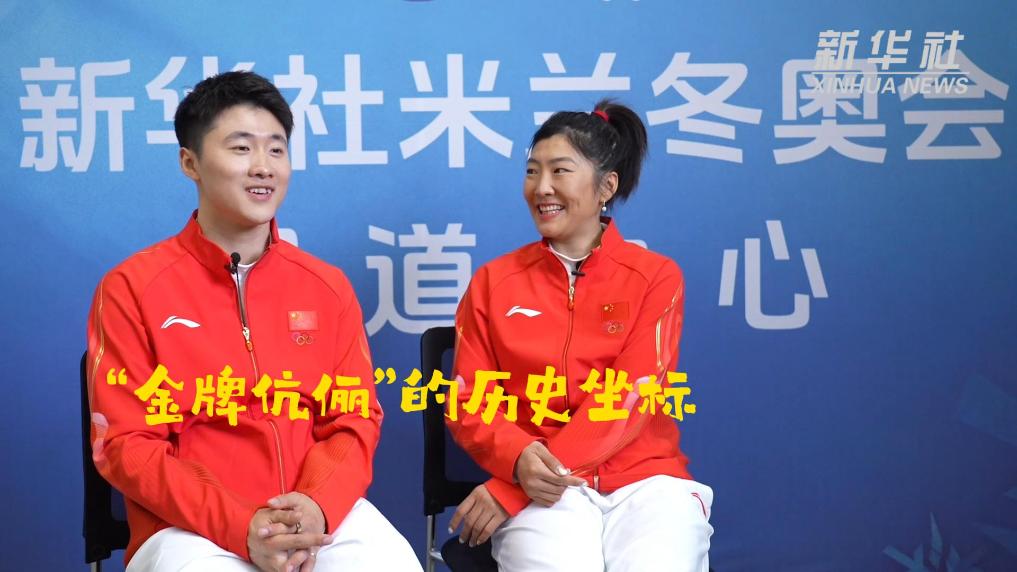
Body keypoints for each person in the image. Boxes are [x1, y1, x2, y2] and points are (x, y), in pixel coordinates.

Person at [86, 71, 421, 572]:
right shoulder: (132, 288)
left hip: (315, 516)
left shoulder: (326, 286)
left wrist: (317, 502)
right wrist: (243, 525)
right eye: (241, 148)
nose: (263, 166)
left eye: (277, 149)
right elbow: (126, 445)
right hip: (189, 529)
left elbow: (354, 419)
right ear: (190, 162)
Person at [446, 100, 713, 571]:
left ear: (606, 186)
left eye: (560, 171)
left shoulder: (655, 277)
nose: (542, 187)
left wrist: (512, 487)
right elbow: (468, 401)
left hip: (646, 483)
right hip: (541, 489)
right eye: (532, 171)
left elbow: (628, 398)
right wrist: (517, 461)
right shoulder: (493, 282)